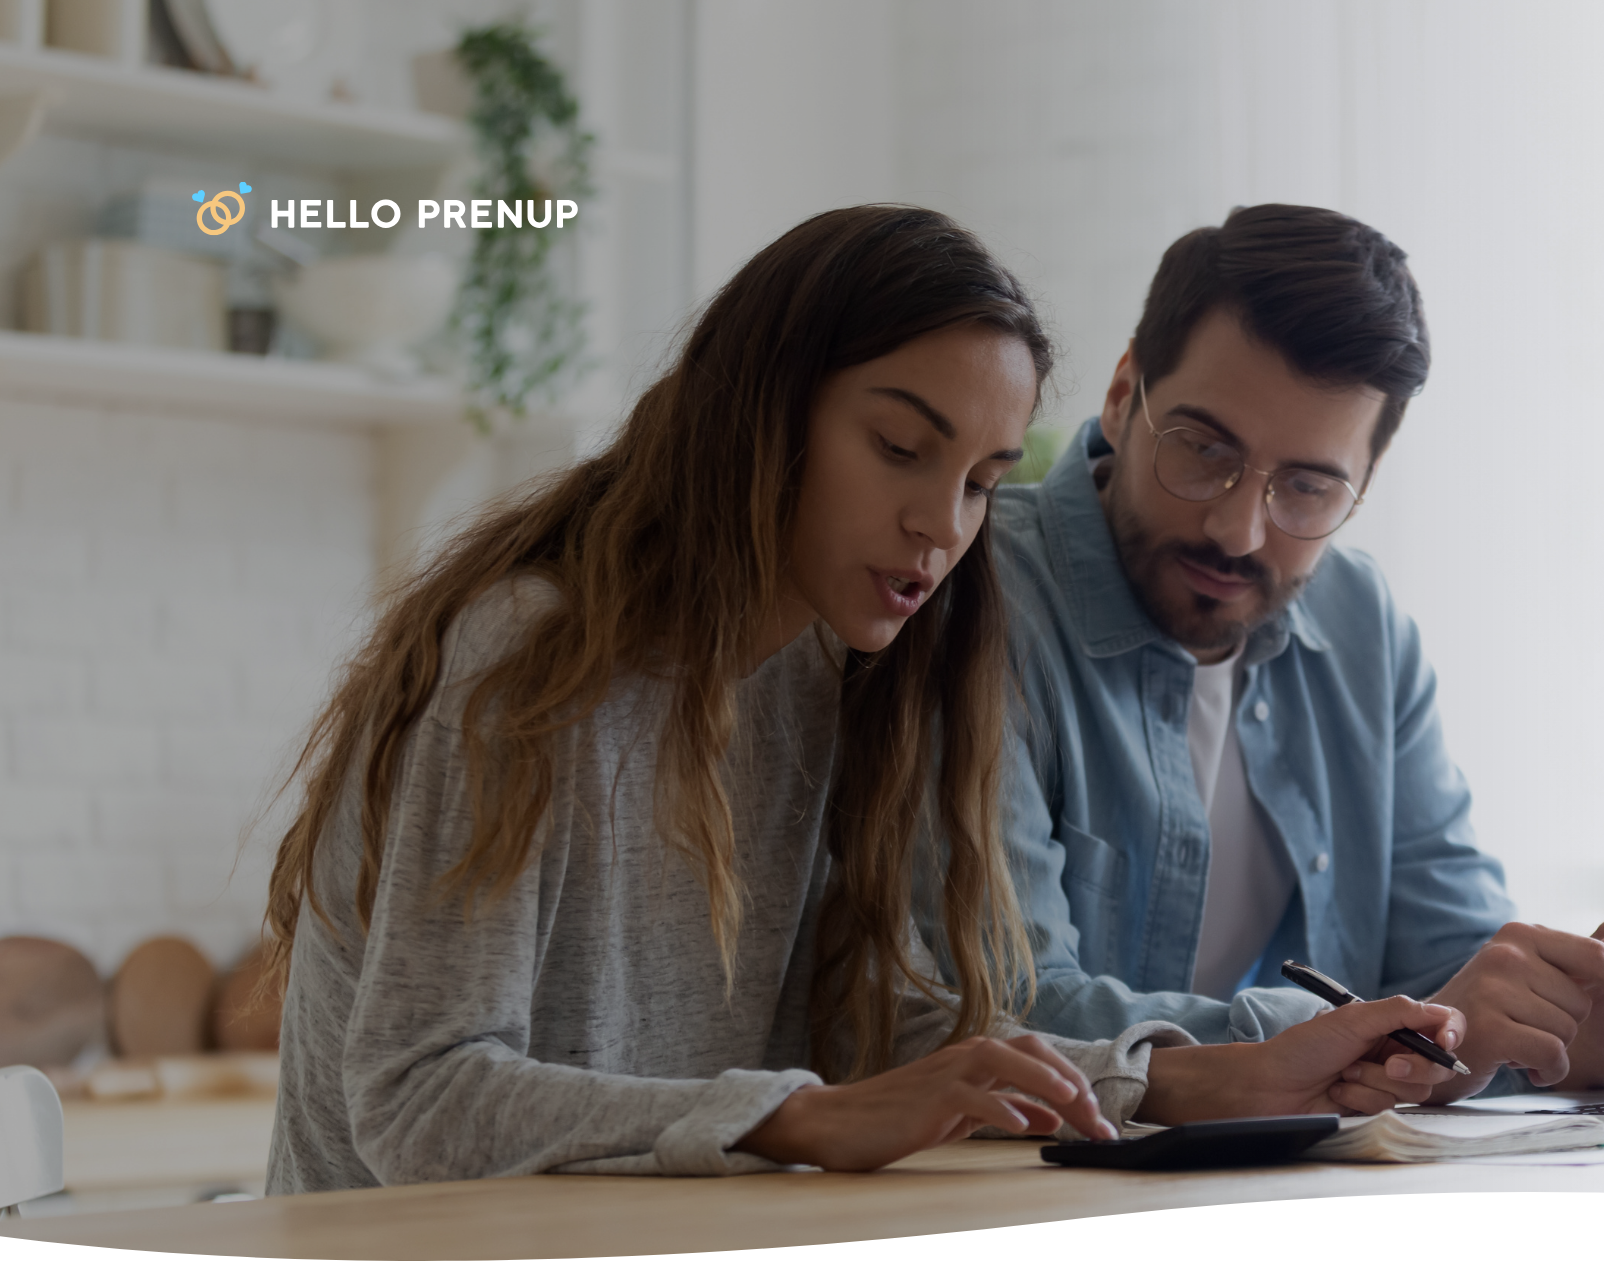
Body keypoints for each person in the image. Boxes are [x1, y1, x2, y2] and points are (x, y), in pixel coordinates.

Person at [258, 205, 1467, 1194]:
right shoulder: (529, 655)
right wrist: (797, 1119)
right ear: (766, 413)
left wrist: (1197, 1076)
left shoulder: (843, 677)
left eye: (984, 481)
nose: (942, 527)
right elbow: (418, 1099)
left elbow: (888, 1032)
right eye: (900, 448)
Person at [962, 204, 1604, 1101]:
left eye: (1307, 486)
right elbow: (998, 1009)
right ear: (1121, 390)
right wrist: (1367, 1036)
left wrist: (1601, 1023)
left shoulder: (1362, 623)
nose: (1236, 526)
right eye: (1203, 448)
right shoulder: (979, 599)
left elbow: (1453, 971)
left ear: (1364, 484)